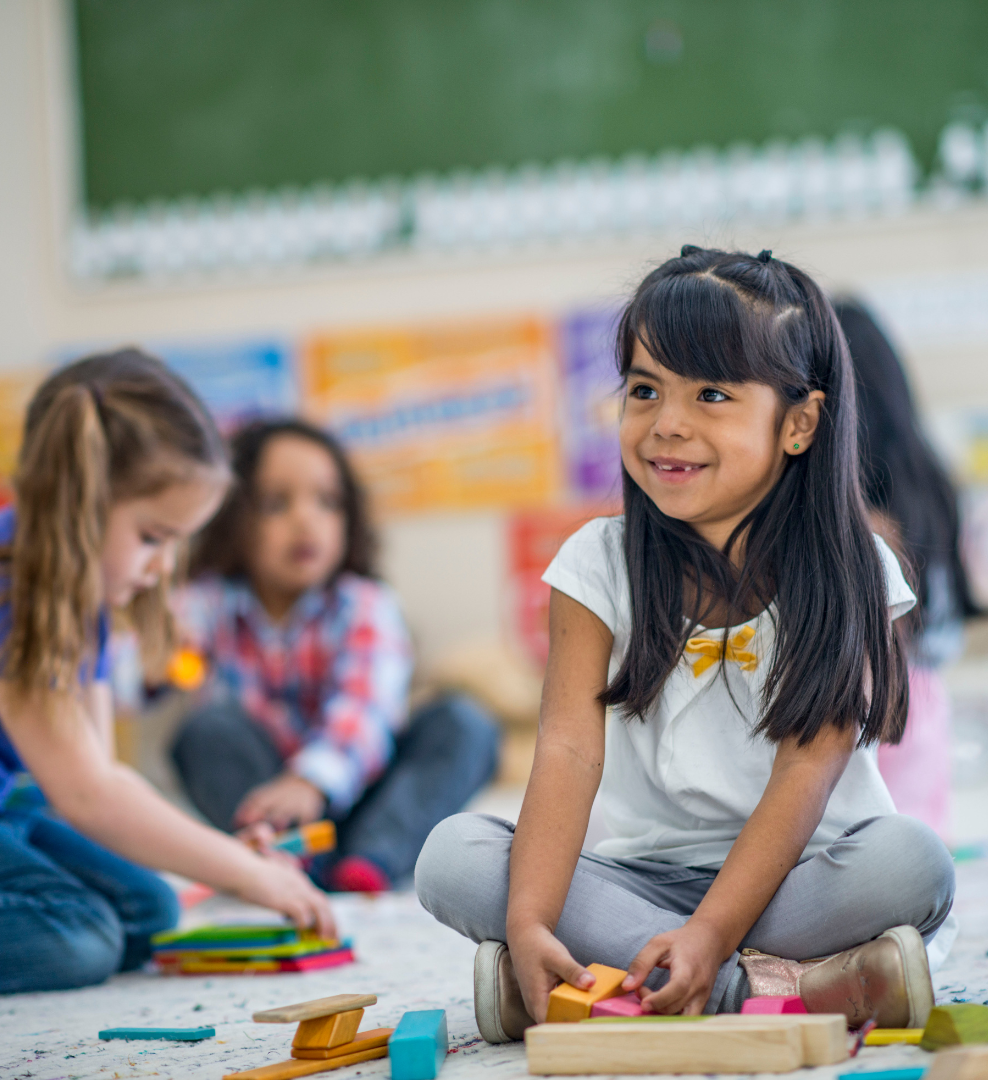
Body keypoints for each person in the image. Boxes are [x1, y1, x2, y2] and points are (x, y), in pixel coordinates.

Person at [414, 247, 955, 1040]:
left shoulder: (854, 568)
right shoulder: (596, 563)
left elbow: (811, 765)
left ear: (799, 423)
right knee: (452, 855)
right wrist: (530, 920)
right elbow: (566, 751)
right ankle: (780, 989)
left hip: (804, 872)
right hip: (636, 879)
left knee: (913, 863)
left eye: (711, 393)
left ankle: (629, 983)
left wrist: (710, 933)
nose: (667, 423)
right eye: (644, 389)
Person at [0, 349, 334, 1000]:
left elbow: (102, 777)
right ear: (76, 507)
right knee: (80, 934)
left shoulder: (80, 594)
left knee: (149, 910)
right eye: (153, 536)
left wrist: (225, 856)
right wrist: (247, 877)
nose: (164, 566)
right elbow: (88, 796)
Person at [169, 418, 500, 894]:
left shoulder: (364, 604)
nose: (306, 520)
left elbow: (365, 709)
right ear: (230, 519)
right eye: (275, 504)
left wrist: (312, 781)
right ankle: (286, 858)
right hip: (270, 798)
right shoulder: (207, 604)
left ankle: (372, 857)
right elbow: (145, 670)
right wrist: (152, 653)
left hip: (368, 792)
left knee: (465, 723)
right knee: (205, 731)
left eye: (327, 503)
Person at [835, 298, 979, 839]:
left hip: (876, 717)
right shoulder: (931, 480)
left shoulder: (858, 515)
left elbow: (870, 667)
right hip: (926, 707)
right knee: (919, 873)